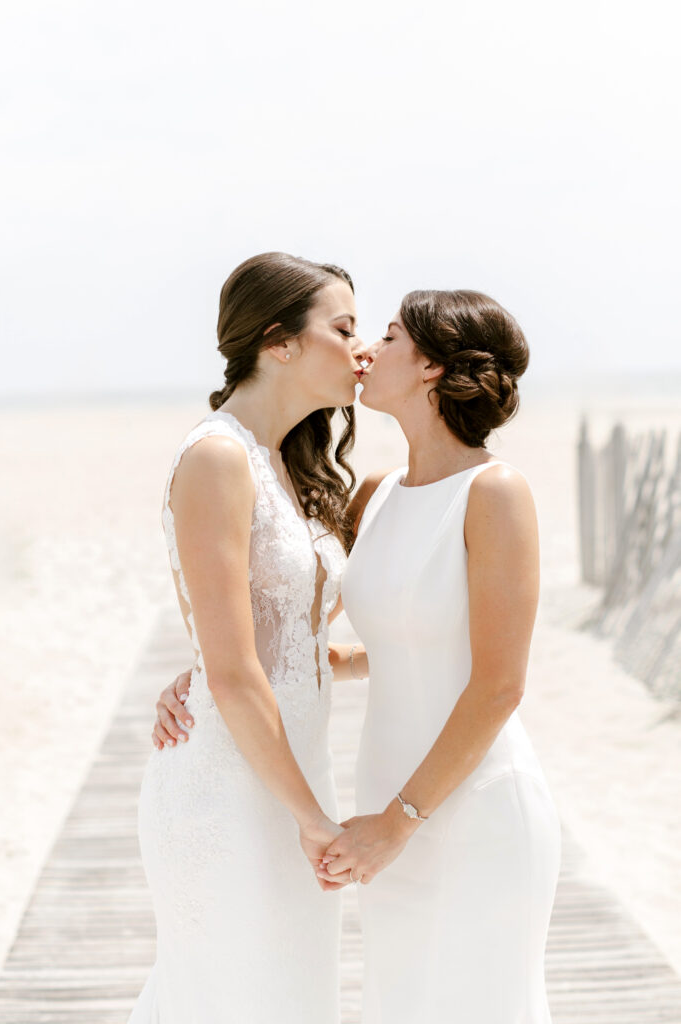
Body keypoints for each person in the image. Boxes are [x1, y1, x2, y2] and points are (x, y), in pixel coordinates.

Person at [154, 289, 562, 1023]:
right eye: (356, 331)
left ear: (433, 369)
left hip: (465, 805)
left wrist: (401, 821)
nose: (367, 350)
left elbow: (498, 685)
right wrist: (207, 676)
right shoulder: (374, 495)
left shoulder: (494, 491)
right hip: (377, 802)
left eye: (389, 336)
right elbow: (320, 622)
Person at [128, 252, 369, 1024]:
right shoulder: (216, 458)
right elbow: (234, 674)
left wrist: (429, 656)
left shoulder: (287, 463)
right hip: (229, 789)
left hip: (294, 778)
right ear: (279, 342)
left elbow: (297, 653)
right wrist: (312, 821)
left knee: (293, 997)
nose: (360, 348)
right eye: (343, 327)